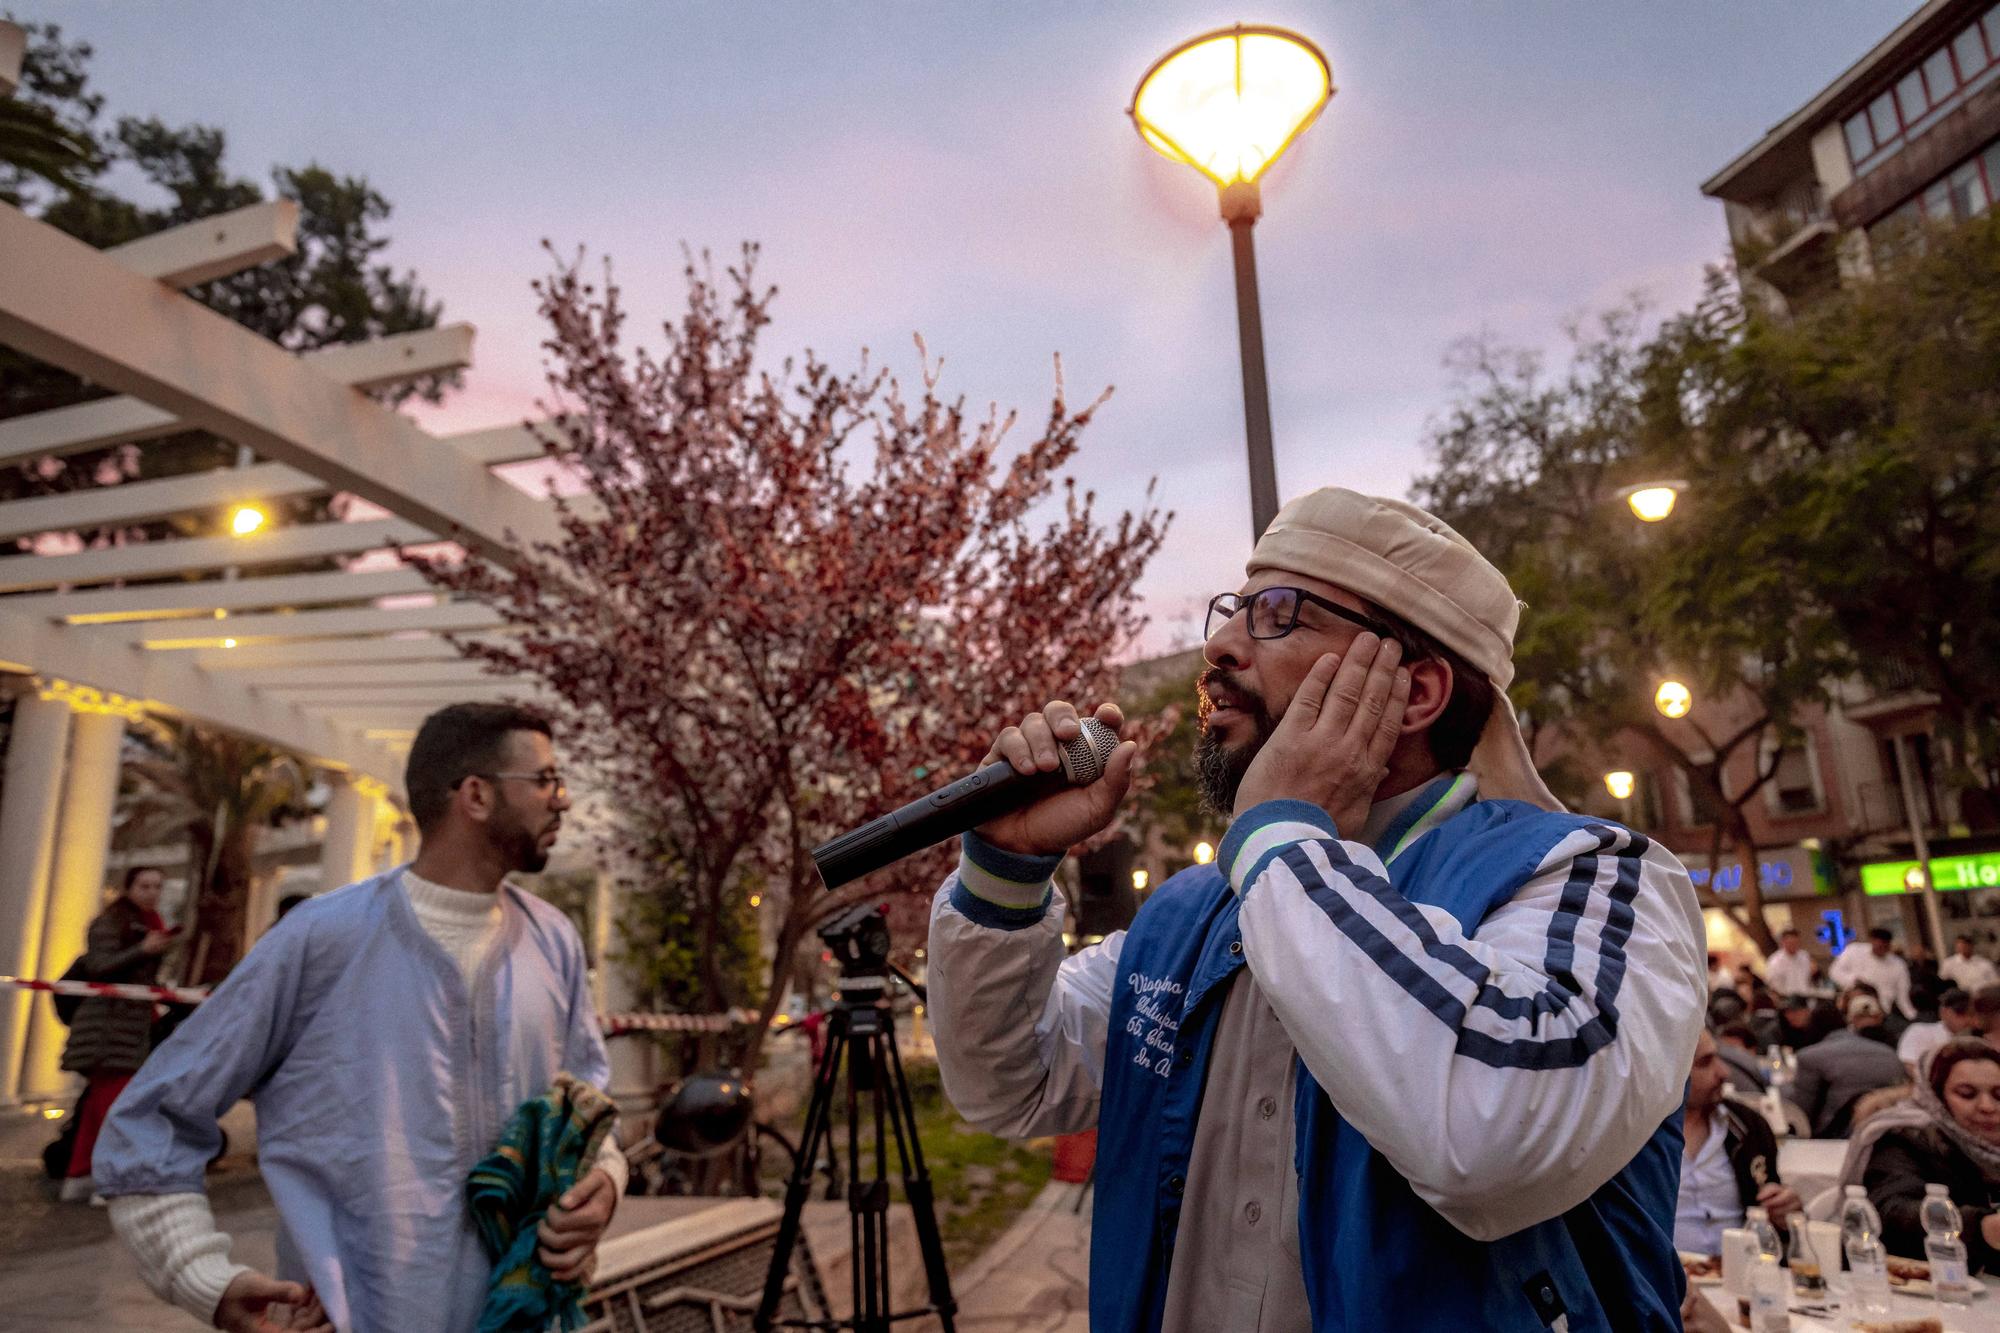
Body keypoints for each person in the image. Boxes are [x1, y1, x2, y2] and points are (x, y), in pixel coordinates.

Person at [926, 489, 1707, 1330]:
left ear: (1415, 694)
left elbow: (1490, 1128)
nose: (1221, 645)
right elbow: (1013, 1084)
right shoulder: (1196, 911)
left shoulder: (1590, 880)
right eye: (1233, 610)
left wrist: (1285, 835)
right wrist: (1005, 872)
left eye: (1279, 615)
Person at [95, 703, 625, 1333]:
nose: (560, 800)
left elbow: (586, 1111)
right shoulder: (322, 940)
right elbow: (150, 1123)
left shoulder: (554, 941)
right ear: (476, 796)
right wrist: (201, 1275)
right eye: (544, 780)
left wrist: (605, 1183)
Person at [56, 865, 177, 1204]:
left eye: (157, 886)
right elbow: (98, 966)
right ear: (128, 888)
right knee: (114, 1106)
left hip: (128, 1026)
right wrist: (144, 951)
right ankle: (105, 1179)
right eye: (144, 886)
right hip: (109, 1027)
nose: (151, 892)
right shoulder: (111, 923)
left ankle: (81, 1174)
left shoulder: (149, 925)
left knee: (100, 1104)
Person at [1847, 1038, 2000, 1270]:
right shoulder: (1905, 1139)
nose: (1987, 1106)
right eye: (1967, 1094)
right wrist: (1980, 1227)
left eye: (1999, 1095)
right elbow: (1890, 1212)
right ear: (1935, 1097)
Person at [1677, 1031, 1801, 1253]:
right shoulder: (1634, 1138)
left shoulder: (1747, 1127)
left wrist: (1785, 1211)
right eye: (1705, 1063)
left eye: (1718, 1058)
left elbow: (1775, 1218)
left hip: (1745, 1270)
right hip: (1657, 1282)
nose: (1723, 1072)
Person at [1791, 995, 1909, 1137]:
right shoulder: (1889, 1053)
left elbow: (1800, 1114)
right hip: (1890, 1134)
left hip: (1835, 1137)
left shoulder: (1809, 1057)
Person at [1829, 928, 1916, 1021]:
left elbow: (1903, 995)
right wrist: (1855, 980)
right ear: (1871, 941)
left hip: (1882, 1010)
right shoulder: (1854, 951)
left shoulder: (1897, 964)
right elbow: (1834, 971)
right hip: (1855, 1007)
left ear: (1889, 945)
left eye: (1884, 946)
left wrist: (1912, 1016)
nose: (1880, 949)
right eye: (1878, 945)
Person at [1899, 987, 1979, 1075]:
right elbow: (1909, 1064)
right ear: (1944, 1012)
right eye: (1961, 1014)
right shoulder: (1920, 1031)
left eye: (1971, 1014)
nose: (1967, 1019)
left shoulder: (1979, 1037)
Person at [1765, 928, 1816, 998]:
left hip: (1805, 995)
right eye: (1790, 943)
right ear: (1783, 942)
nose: (1793, 946)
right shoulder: (1775, 961)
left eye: (1796, 943)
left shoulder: (1804, 956)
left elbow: (1809, 976)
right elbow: (1773, 983)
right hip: (1786, 997)